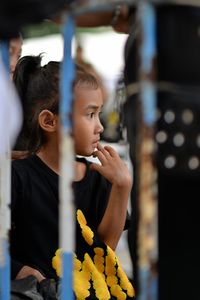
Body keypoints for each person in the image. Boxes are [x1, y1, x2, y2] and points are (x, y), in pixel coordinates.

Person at [11, 54, 134, 298]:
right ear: (49, 121)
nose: (99, 126)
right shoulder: (18, 177)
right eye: (90, 114)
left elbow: (103, 252)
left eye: (99, 114)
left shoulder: (99, 178)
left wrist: (122, 186)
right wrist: (16, 269)